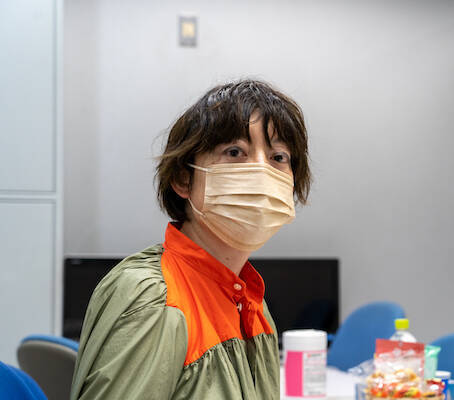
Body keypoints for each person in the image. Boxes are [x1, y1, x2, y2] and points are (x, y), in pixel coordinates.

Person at [70, 79, 311, 400]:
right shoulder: (156, 299)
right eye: (235, 152)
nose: (261, 172)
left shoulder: (251, 304)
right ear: (184, 178)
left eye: (278, 157)